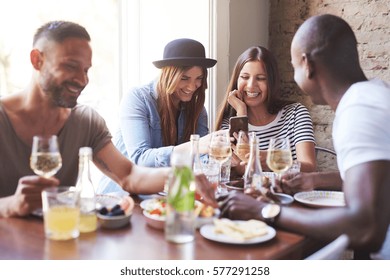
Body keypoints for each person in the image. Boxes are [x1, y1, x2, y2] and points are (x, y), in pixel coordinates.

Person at [0, 21, 215, 218]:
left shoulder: (86, 121)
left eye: (86, 70)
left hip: (63, 238)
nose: (83, 80)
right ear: (37, 60)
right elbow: (140, 158)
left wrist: (178, 175)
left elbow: (129, 175)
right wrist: (10, 204)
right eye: (70, 66)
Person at [218, 14, 390, 259]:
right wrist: (314, 180)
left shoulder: (359, 110)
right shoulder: (375, 93)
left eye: (293, 65)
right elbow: (378, 178)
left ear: (307, 64)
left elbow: (366, 229)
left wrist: (267, 210)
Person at [98, 38, 216, 193]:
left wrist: (219, 159)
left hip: (166, 194)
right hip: (123, 196)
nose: (192, 86)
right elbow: (140, 159)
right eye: (184, 78)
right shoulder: (137, 99)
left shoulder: (197, 109)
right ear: (169, 75)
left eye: (199, 78)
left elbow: (202, 159)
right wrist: (195, 146)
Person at [214, 46, 316, 175]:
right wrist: (241, 113)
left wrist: (269, 159)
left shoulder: (296, 113)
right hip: (249, 194)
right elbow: (239, 170)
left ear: (272, 82)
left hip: (290, 193)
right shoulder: (228, 124)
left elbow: (309, 166)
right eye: (245, 77)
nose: (251, 85)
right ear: (236, 80)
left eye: (261, 78)